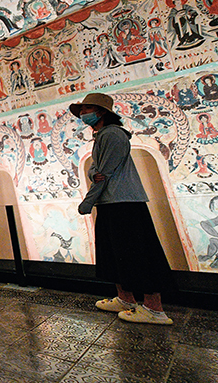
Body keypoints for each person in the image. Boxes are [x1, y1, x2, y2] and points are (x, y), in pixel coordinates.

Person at [71, 92, 174, 325]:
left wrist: (87, 202)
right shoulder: (102, 136)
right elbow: (95, 170)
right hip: (111, 202)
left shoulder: (113, 135)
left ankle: (154, 308)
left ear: (101, 112)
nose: (83, 113)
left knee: (138, 254)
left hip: (124, 203)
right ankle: (126, 299)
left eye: (87, 109)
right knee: (114, 254)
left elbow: (105, 173)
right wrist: (94, 176)